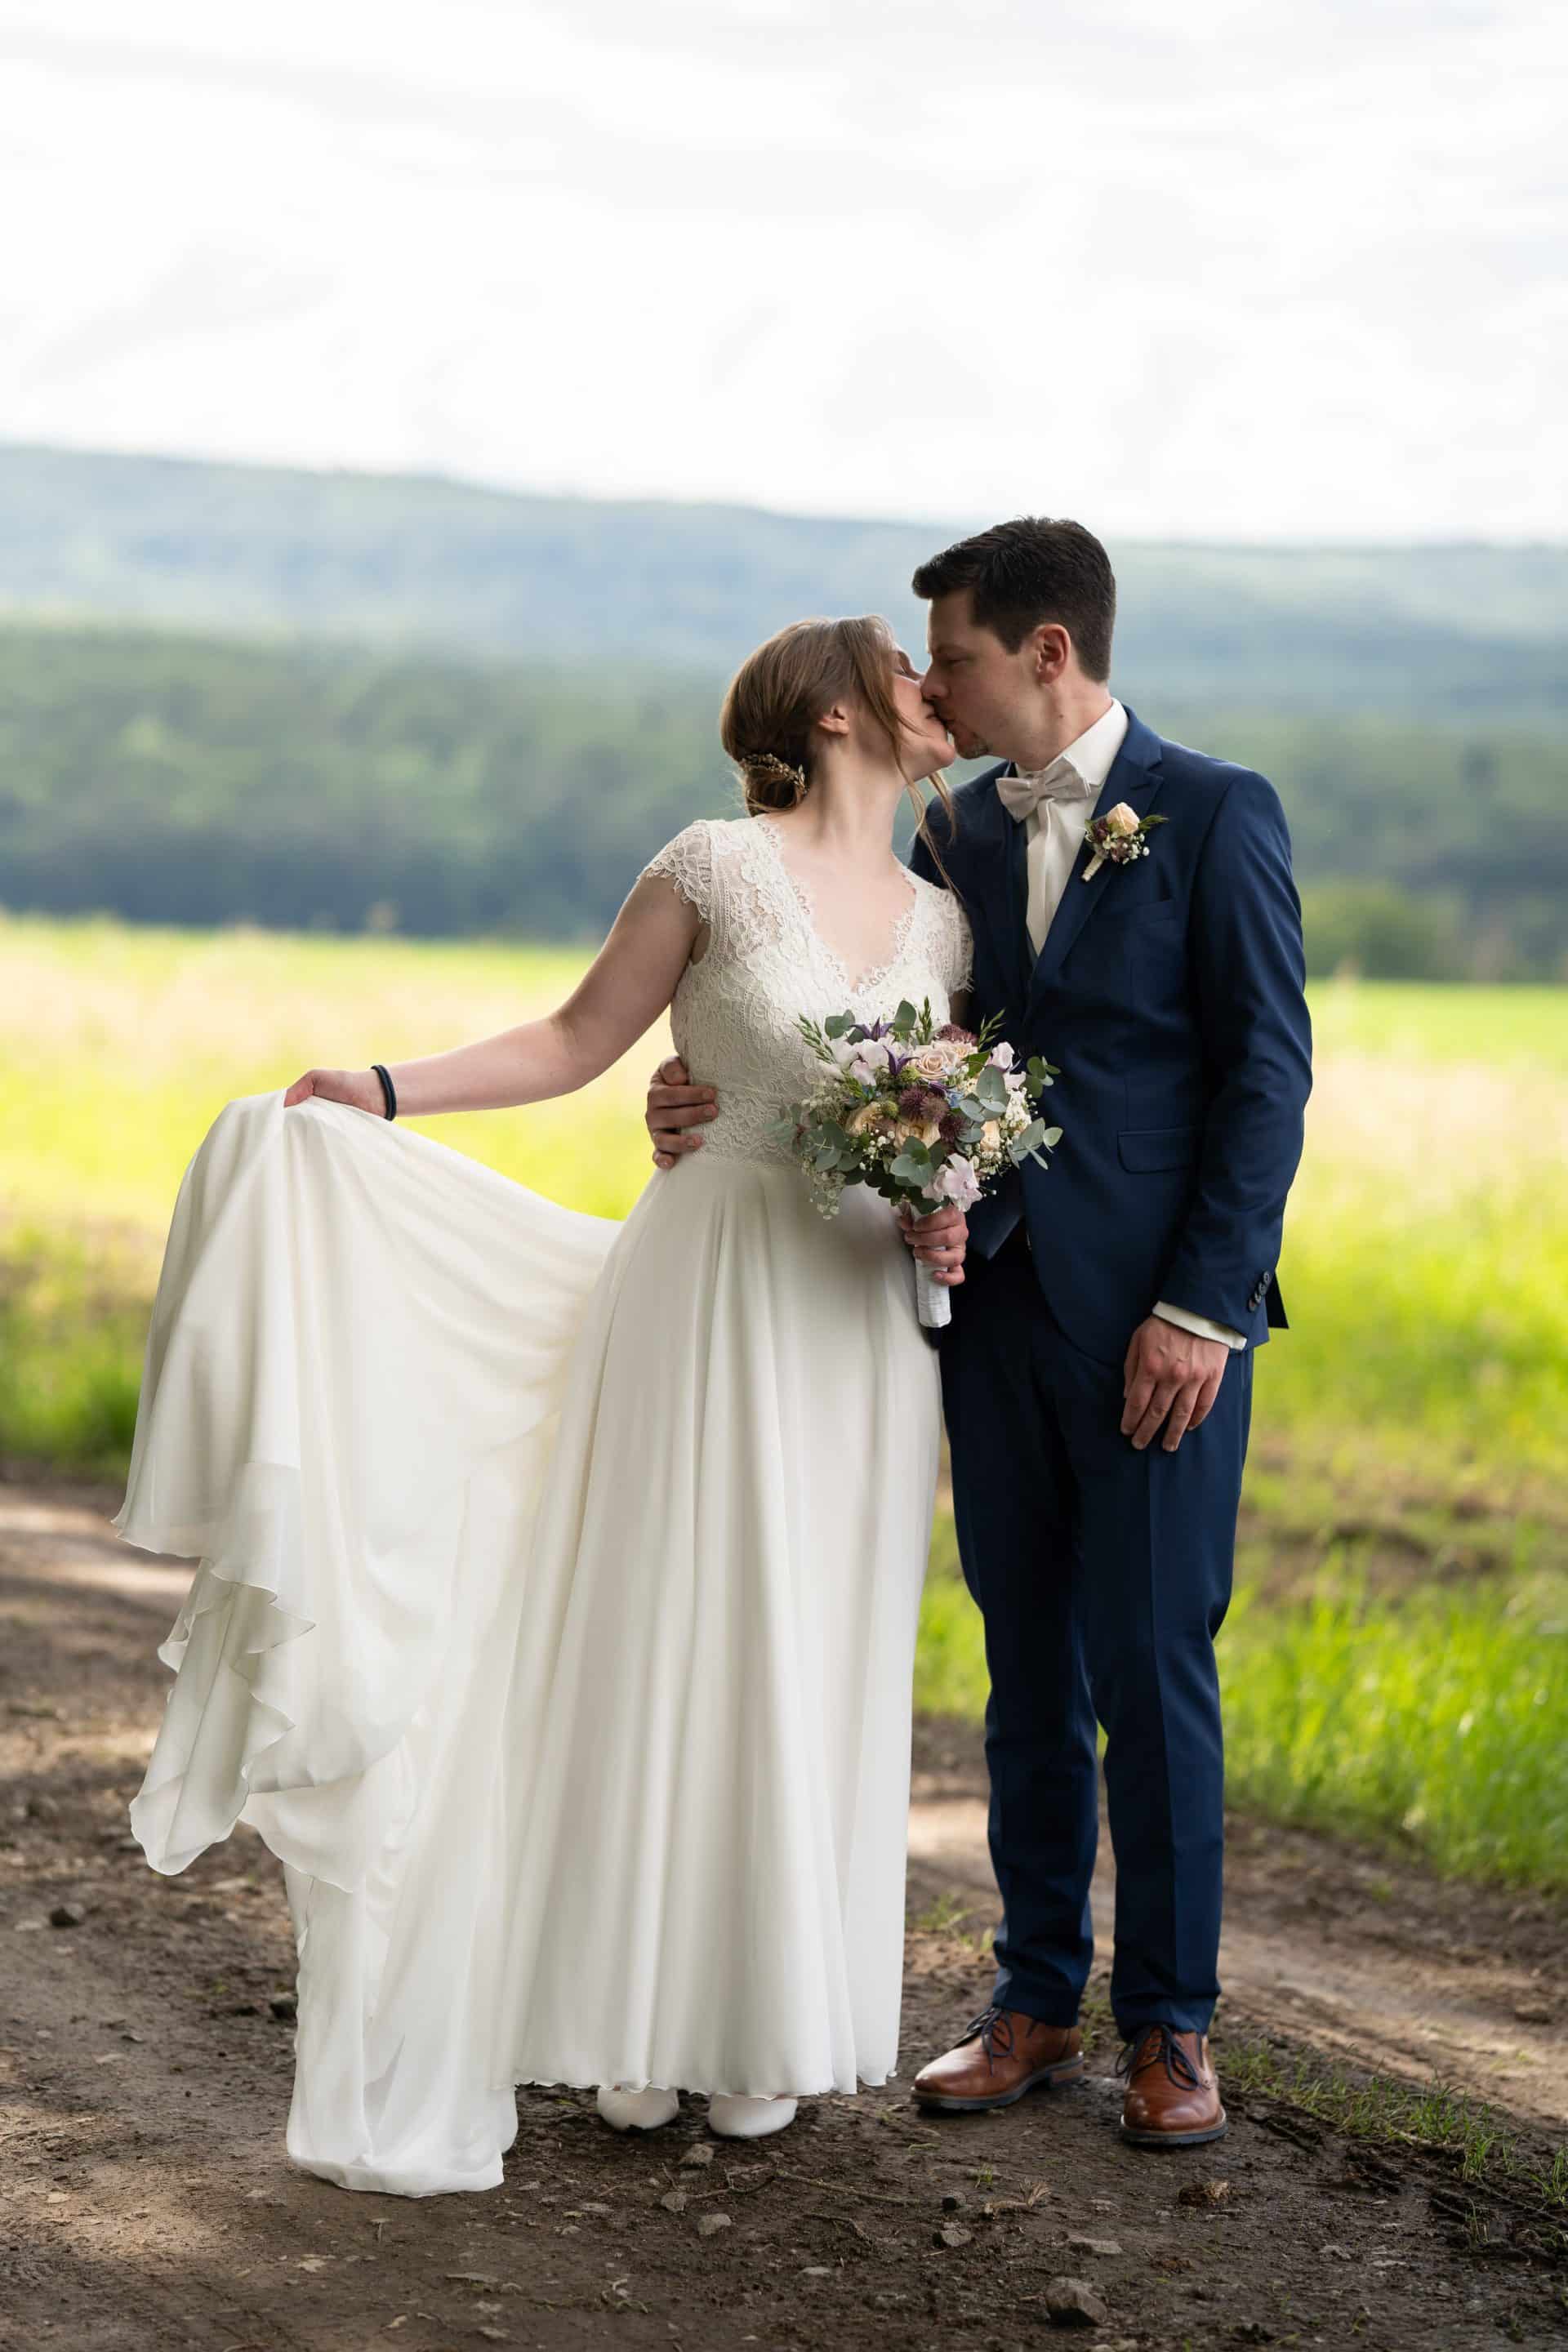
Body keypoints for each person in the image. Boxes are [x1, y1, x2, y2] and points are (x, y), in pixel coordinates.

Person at [111, 613, 976, 2197]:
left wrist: (950, 1200)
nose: (939, 695)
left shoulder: (943, 920)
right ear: (842, 713)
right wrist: (381, 1089)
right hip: (709, 1291)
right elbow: (580, 1040)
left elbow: (953, 1108)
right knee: (675, 1628)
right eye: (911, 675)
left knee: (817, 1650)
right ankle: (632, 2020)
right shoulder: (711, 867)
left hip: (858, 1322)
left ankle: (760, 2029)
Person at [648, 519, 1312, 2149]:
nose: (929, 685)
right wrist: (701, 1088)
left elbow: (1268, 1079)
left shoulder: (1216, 813)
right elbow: (873, 1041)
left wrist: (1201, 1311)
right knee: (1024, 1670)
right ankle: (1031, 2000)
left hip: (1163, 1336)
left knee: (1152, 1677)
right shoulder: (941, 845)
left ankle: (1171, 2030)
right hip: (984, 1311)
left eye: (949, 656)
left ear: (1046, 652)